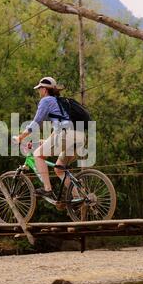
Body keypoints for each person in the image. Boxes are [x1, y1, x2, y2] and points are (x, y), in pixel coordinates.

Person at [13, 77, 84, 205]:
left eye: (39, 88)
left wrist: (20, 137)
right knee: (59, 169)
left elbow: (35, 124)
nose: (39, 91)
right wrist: (44, 141)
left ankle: (47, 189)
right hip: (79, 136)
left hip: (66, 135)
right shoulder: (59, 102)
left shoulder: (46, 101)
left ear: (44, 89)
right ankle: (79, 198)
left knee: (37, 155)